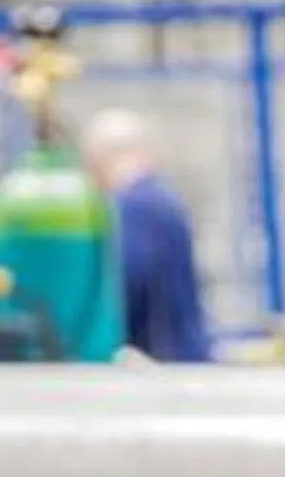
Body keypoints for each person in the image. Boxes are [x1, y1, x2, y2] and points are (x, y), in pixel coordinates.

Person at [84, 109, 214, 364]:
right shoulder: (163, 199)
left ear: (100, 158)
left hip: (158, 360)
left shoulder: (133, 206)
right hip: (184, 353)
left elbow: (127, 281)